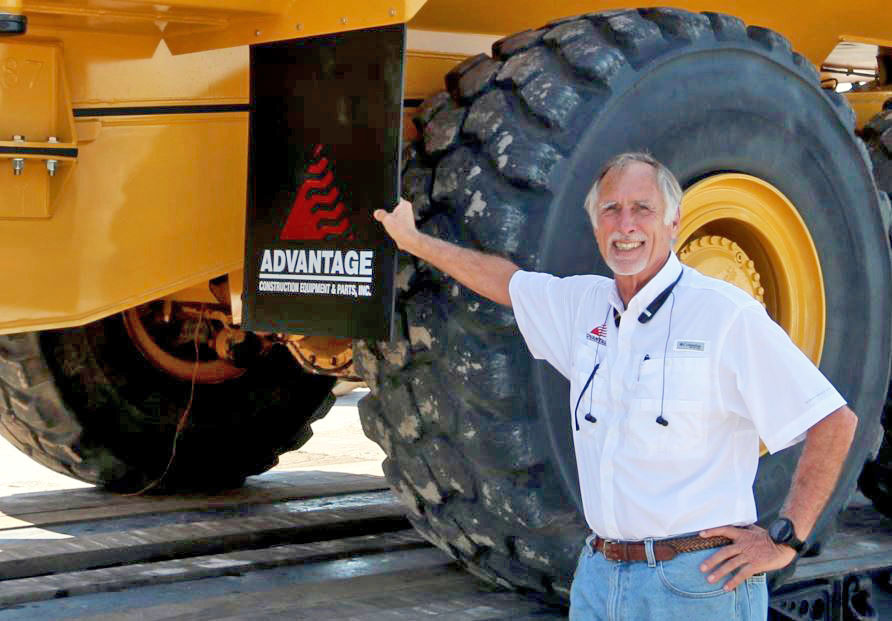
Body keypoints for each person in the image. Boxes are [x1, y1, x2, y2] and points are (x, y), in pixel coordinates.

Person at [373, 152, 857, 620]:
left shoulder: (724, 315)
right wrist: (414, 242)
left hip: (696, 585)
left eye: (642, 209)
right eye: (611, 209)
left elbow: (833, 421)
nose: (625, 224)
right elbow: (507, 282)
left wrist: (784, 542)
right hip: (601, 577)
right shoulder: (582, 307)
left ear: (673, 221)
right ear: (596, 225)